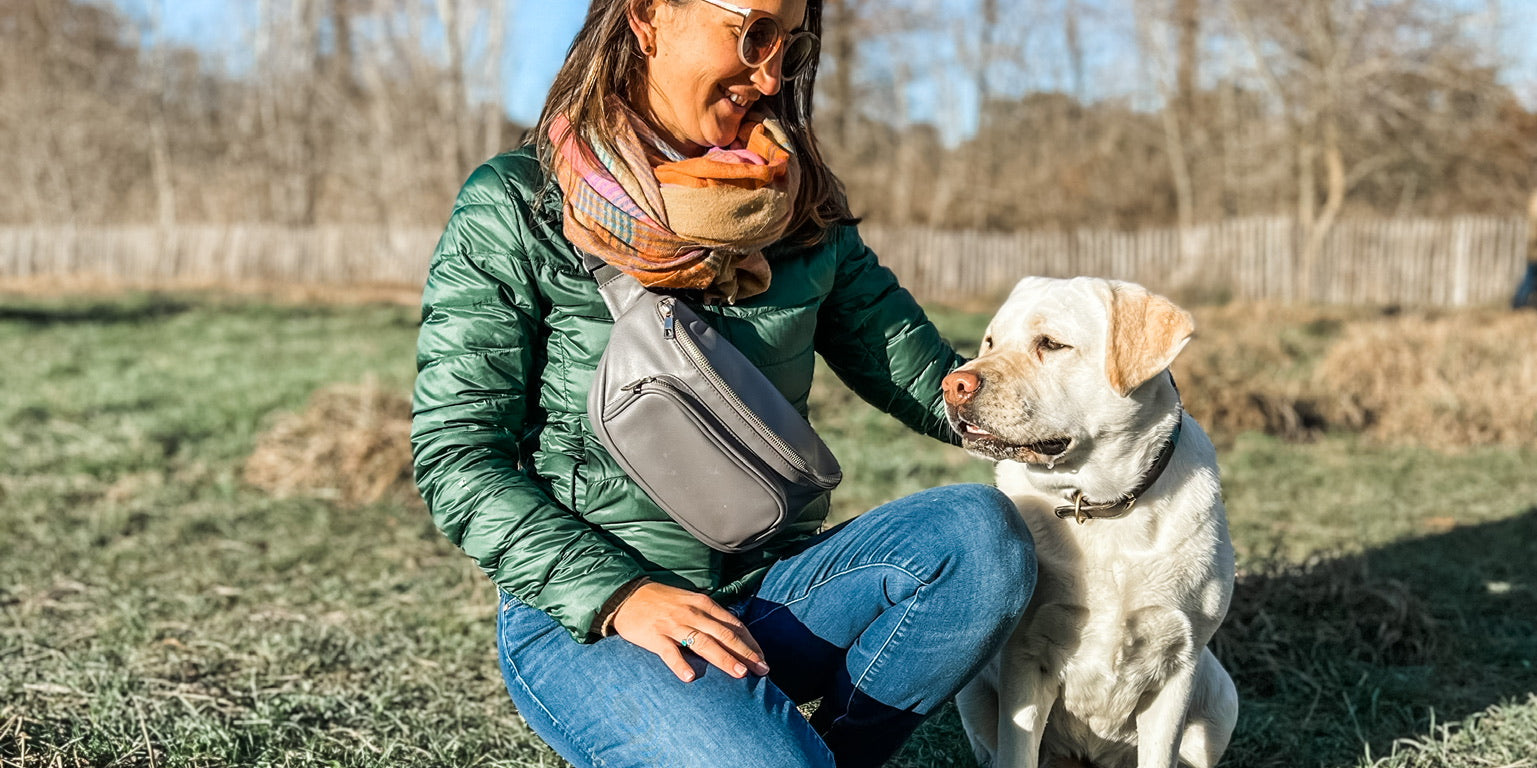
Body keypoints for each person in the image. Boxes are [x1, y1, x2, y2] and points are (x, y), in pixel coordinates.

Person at [410, 1, 1036, 766]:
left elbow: (926, 376)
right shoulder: (516, 204)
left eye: (792, 44)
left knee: (981, 536)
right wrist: (619, 595)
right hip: (599, 613)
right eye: (755, 34)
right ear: (647, 19)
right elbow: (457, 453)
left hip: (773, 588)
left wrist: (1079, 403)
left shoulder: (799, 207)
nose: (772, 73)